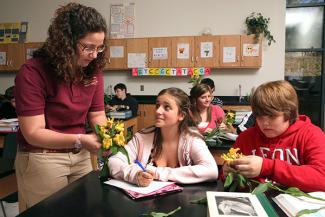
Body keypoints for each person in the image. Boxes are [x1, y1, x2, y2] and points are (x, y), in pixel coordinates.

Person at [14, 3, 108, 210]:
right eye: (88, 47)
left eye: (99, 47)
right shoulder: (32, 73)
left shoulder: (92, 71)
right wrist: (81, 139)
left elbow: (97, 114)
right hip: (43, 158)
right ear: (66, 43)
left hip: (80, 155)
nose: (94, 55)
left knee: (84, 211)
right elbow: (33, 133)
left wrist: (107, 138)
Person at [223, 80, 325, 192]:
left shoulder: (311, 135)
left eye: (272, 116)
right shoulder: (246, 138)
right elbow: (226, 181)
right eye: (259, 116)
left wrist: (267, 167)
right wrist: (227, 173)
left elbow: (322, 178)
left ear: (289, 113)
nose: (264, 123)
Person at [108, 87, 218, 186]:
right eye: (157, 105)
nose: (158, 111)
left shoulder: (192, 139)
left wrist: (157, 173)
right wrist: (135, 174)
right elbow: (114, 162)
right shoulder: (142, 137)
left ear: (181, 115)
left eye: (167, 107)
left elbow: (211, 170)